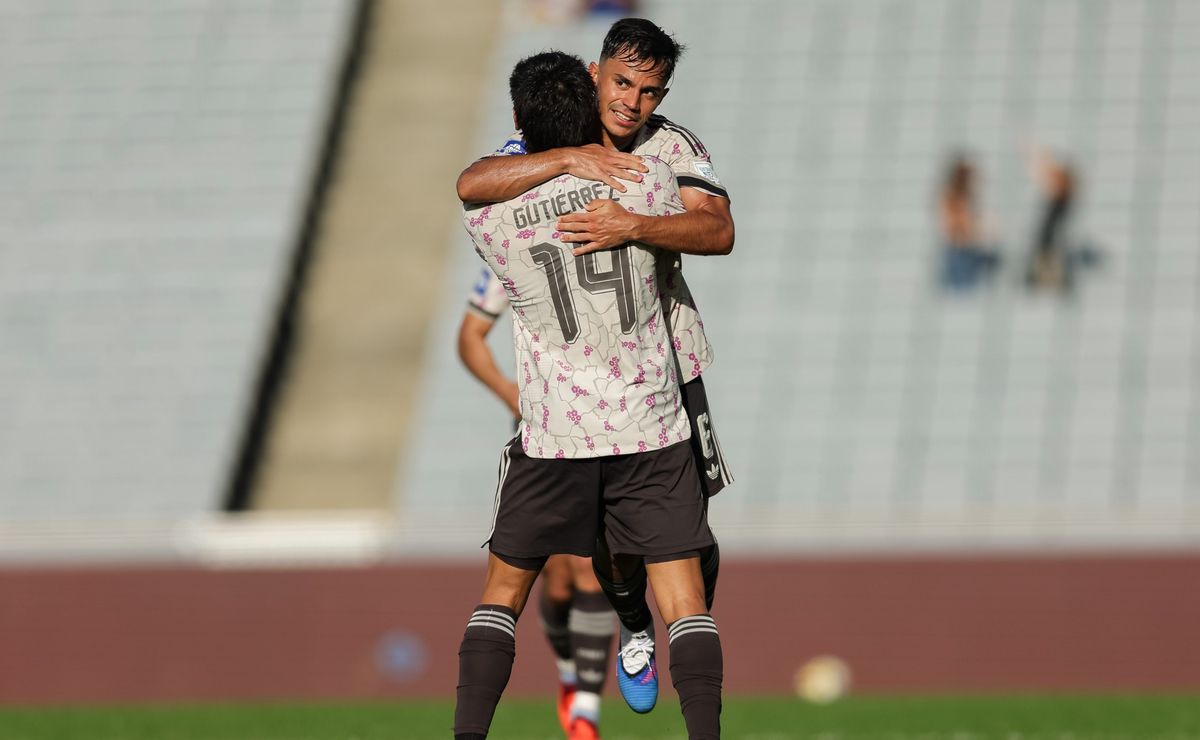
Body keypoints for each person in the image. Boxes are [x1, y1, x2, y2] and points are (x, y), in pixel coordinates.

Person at [456, 18, 733, 718]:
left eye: (650, 91)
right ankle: (635, 625)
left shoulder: (672, 147)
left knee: (692, 540)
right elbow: (475, 179)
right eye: (622, 83)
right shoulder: (552, 143)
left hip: (671, 366)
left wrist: (635, 225)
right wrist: (568, 160)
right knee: (611, 543)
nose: (632, 102)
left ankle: (654, 624)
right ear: (594, 73)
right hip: (594, 394)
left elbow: (718, 229)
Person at [457, 266, 617, 737]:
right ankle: (569, 669)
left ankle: (586, 709)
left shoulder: (605, 239)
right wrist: (509, 391)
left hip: (611, 421)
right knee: (558, 578)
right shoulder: (511, 249)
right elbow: (470, 335)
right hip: (545, 425)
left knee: (590, 564)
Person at [938, 154, 999, 291]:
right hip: (959, 250)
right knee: (961, 291)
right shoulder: (952, 198)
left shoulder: (964, 197)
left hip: (966, 248)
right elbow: (956, 225)